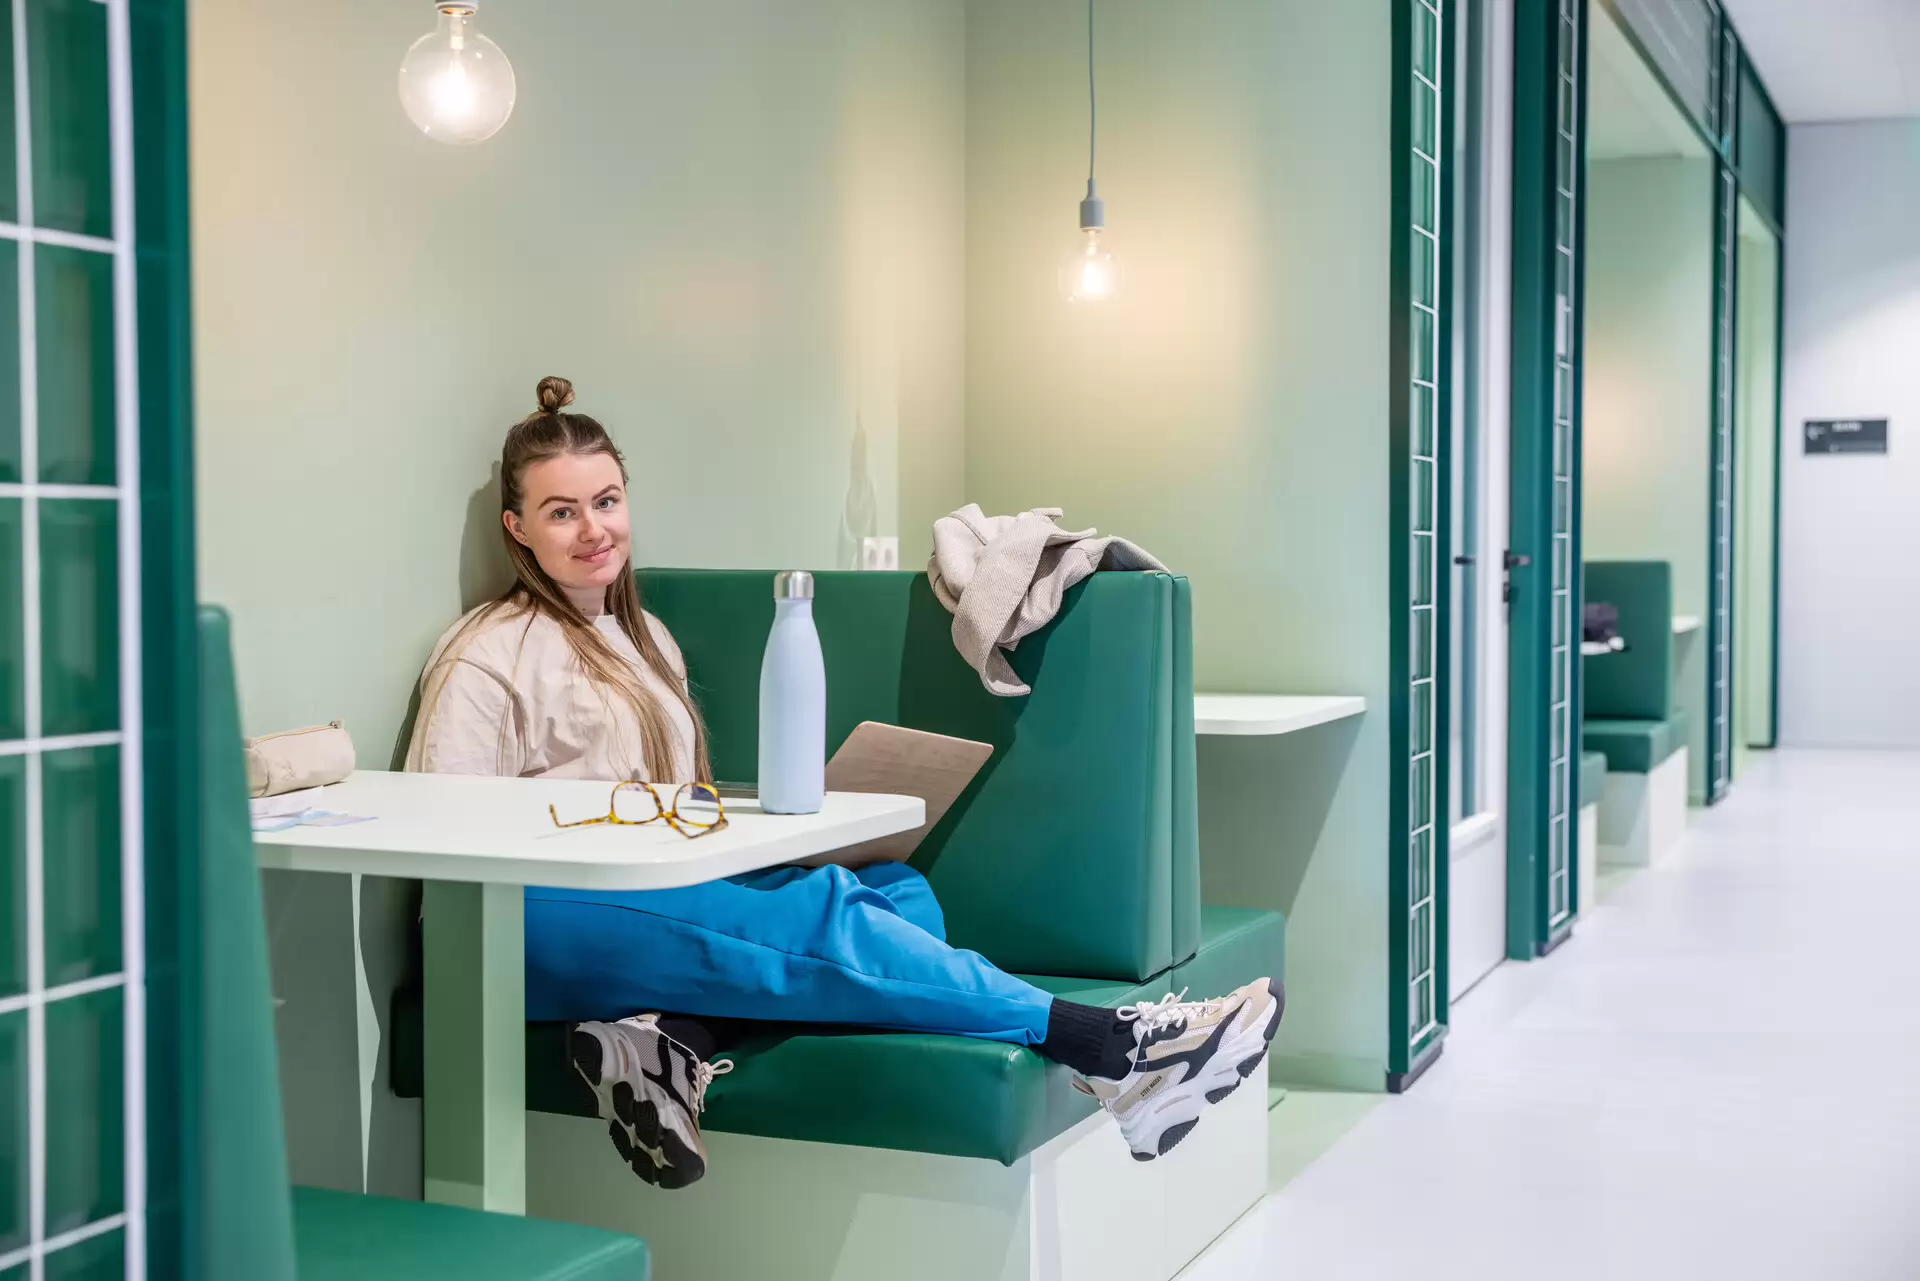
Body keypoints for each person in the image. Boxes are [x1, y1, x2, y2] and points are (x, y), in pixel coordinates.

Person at [408, 376, 1284, 1190]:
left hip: (644, 895)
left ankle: (669, 1038)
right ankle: (1112, 1050)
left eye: (607, 501)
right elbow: (437, 840)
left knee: (896, 887)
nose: (594, 528)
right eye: (562, 512)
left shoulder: (650, 643)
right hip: (532, 918)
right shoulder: (488, 652)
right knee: (818, 915)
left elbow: (674, 804)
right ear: (518, 529)